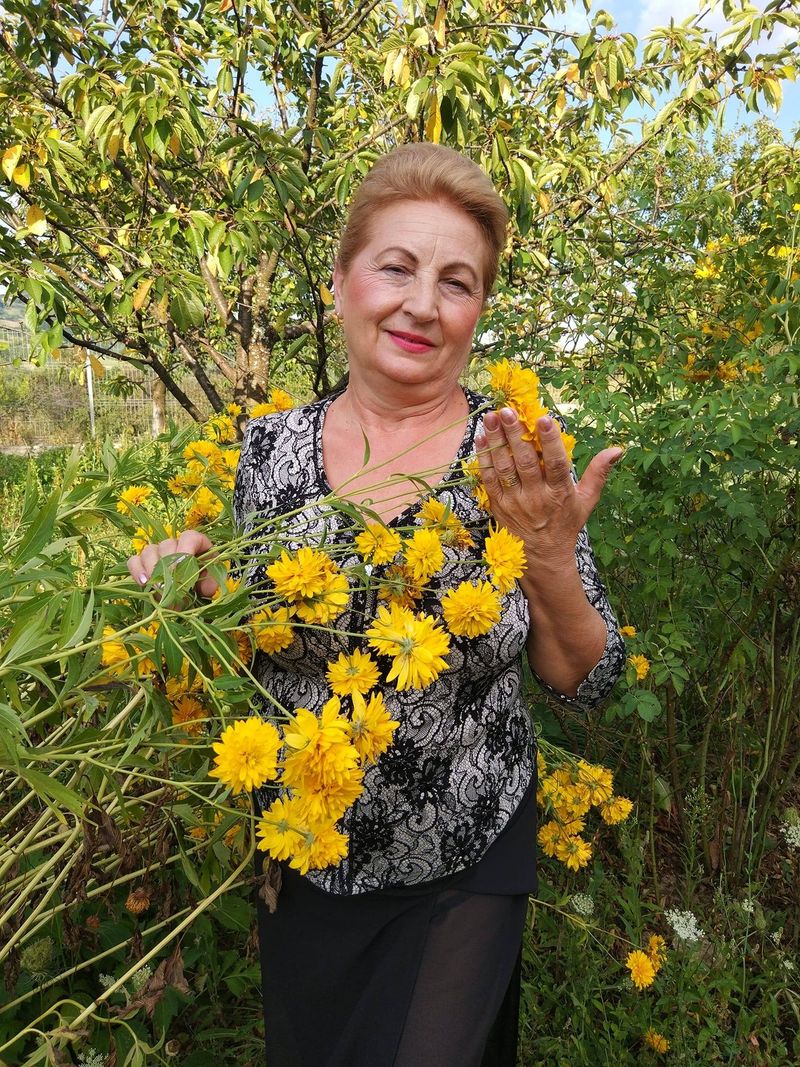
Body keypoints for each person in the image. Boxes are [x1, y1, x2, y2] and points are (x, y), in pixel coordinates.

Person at [128, 142, 626, 1067]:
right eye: (396, 267)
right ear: (341, 281)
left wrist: (551, 550)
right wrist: (187, 595)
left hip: (468, 853)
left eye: (457, 281)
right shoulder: (267, 453)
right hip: (309, 853)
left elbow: (585, 682)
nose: (422, 305)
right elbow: (247, 645)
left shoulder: (512, 455)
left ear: (479, 309)